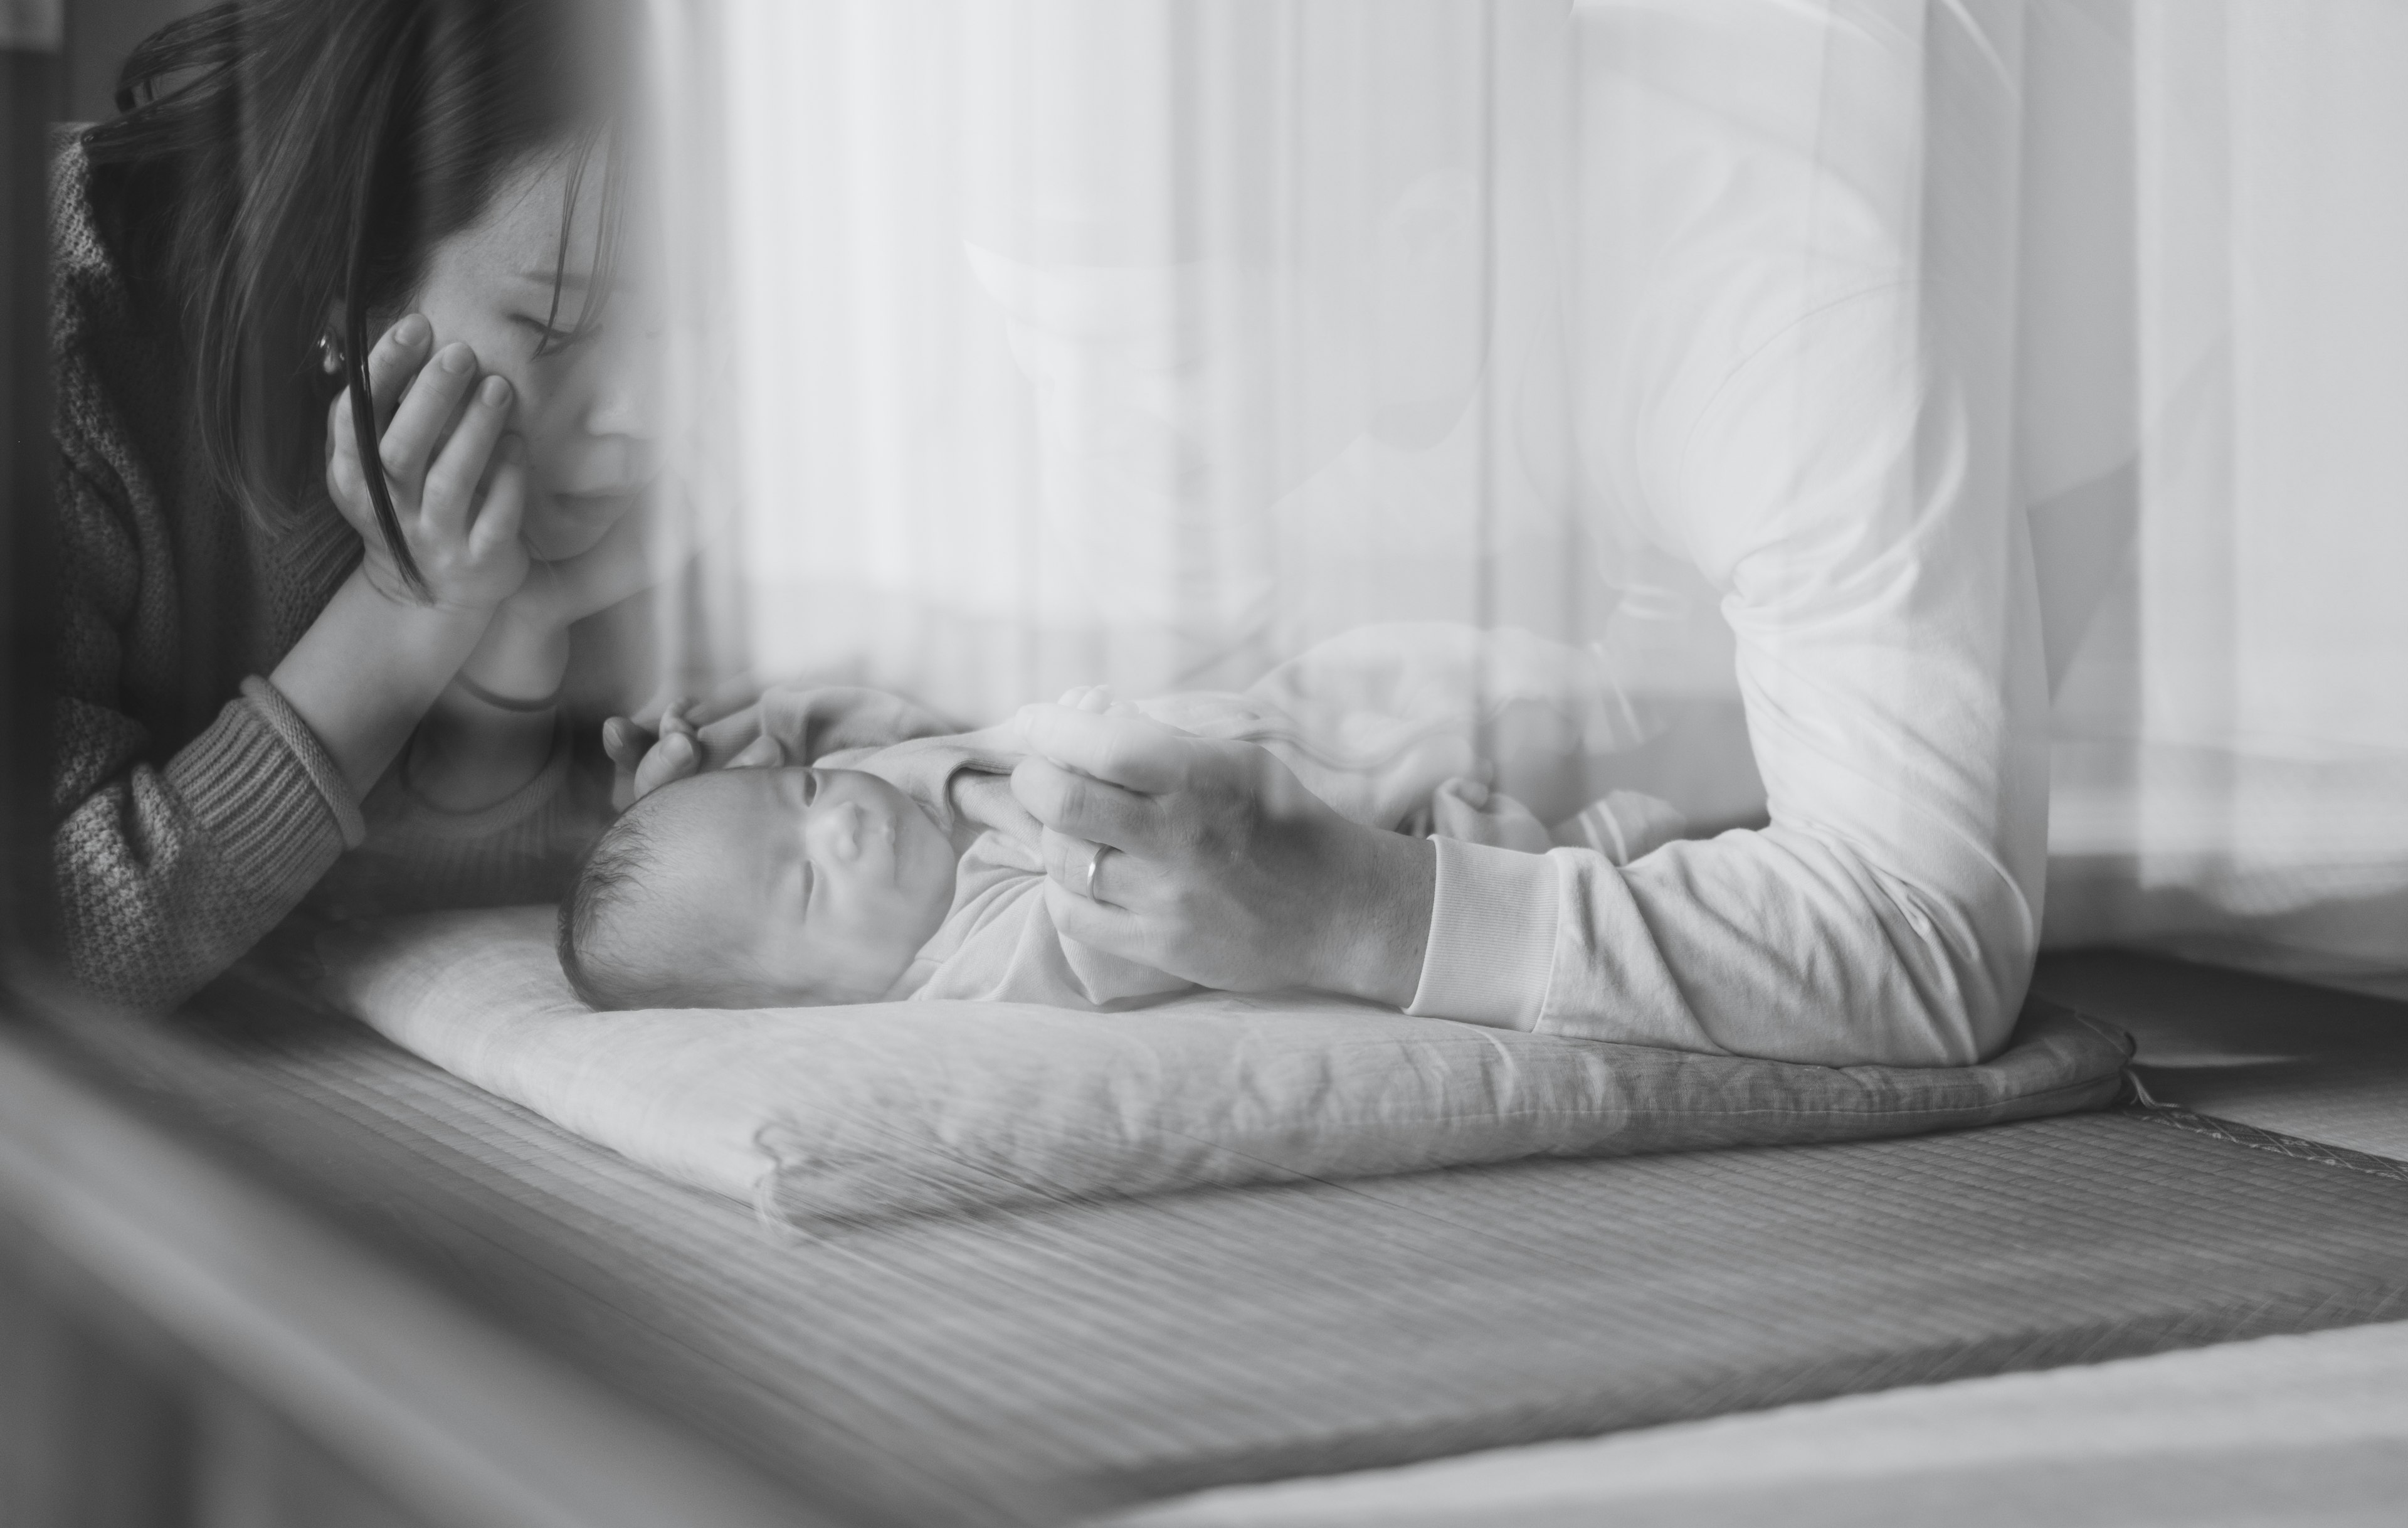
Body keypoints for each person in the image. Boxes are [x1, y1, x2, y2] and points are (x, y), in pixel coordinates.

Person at [993, 1, 2051, 1069]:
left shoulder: (1778, 322)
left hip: (2069, 273)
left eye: (1166, 359)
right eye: (1032, 347)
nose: (1082, 443)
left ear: (1424, 250)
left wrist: (1357, 910)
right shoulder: (1225, 343)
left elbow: (1930, 934)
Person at [51, 0, 669, 1010]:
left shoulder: (672, 451)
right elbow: (55, 952)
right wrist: (402, 617)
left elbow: (510, 898)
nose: (648, 413)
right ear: (331, 277)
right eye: (560, 327)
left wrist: (516, 636)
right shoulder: (57, 358)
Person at [562, 686, 1686, 1011]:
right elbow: (1129, 919)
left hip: (1316, 718)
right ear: (812, 1006)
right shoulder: (971, 962)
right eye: (804, 882)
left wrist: (780, 741)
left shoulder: (896, 815)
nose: (840, 820)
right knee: (1582, 836)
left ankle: (1632, 703)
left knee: (1520, 694)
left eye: (800, 793)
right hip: (1383, 837)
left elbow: (876, 734)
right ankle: (1641, 816)